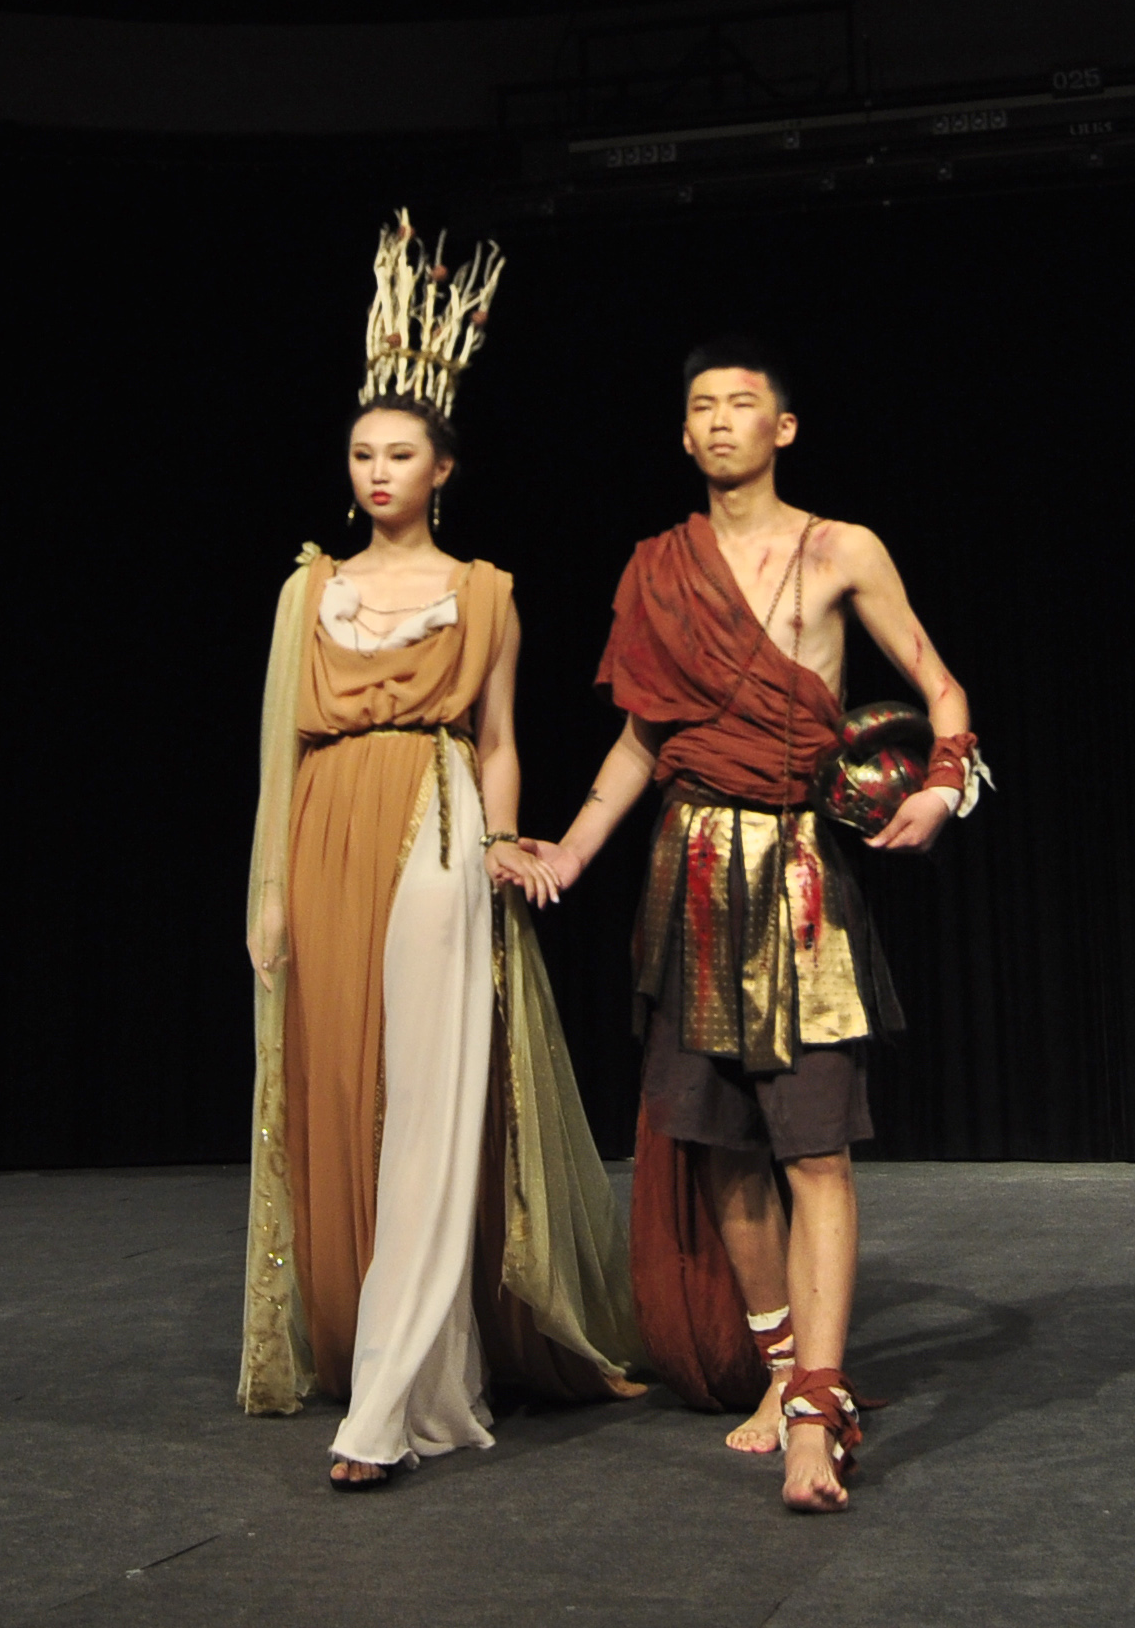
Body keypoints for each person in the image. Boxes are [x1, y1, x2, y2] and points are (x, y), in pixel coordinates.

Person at [533, 334, 984, 1514]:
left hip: (796, 879)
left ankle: (816, 1415)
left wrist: (943, 786)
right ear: (684, 435)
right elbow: (639, 740)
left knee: (814, 1149)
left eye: (742, 403)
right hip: (688, 871)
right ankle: (782, 1375)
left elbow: (941, 689)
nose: (720, 420)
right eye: (701, 405)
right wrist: (569, 848)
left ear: (783, 427)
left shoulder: (841, 549)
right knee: (724, 1147)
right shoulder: (659, 567)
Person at [239, 217, 642, 1493]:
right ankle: (368, 1347)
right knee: (341, 1090)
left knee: (430, 1104)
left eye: (399, 452)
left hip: (434, 818)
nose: (376, 470)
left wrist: (500, 846)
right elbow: (278, 752)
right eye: (361, 452)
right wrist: (267, 891)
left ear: (442, 466)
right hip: (323, 830)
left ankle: (392, 1402)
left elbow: (500, 738)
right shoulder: (308, 591)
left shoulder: (484, 591)